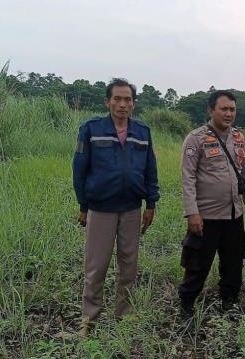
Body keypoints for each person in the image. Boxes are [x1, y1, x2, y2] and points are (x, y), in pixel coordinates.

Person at [72, 78, 160, 336]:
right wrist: (83, 205)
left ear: (134, 103)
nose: (123, 104)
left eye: (128, 100)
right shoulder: (91, 129)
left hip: (132, 208)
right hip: (101, 209)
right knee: (96, 265)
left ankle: (125, 315)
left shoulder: (142, 132)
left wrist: (151, 203)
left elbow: (150, 170)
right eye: (117, 99)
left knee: (129, 264)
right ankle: (90, 318)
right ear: (107, 101)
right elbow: (79, 170)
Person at [178, 90, 245, 319]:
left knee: (233, 263)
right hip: (205, 217)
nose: (229, 114)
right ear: (210, 110)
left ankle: (229, 302)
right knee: (197, 265)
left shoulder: (239, 138)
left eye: (232, 109)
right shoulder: (196, 139)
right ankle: (186, 307)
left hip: (234, 215)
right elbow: (188, 178)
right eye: (223, 109)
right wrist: (192, 212)